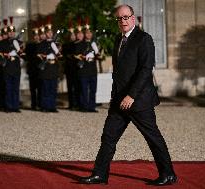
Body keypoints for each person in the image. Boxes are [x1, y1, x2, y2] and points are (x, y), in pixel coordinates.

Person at [79, 5, 177, 186]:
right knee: (108, 137)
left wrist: (131, 95)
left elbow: (146, 70)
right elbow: (119, 72)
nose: (123, 21)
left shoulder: (144, 39)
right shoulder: (118, 39)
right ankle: (100, 174)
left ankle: (168, 174)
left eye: (126, 17)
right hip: (119, 100)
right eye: (119, 18)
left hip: (139, 100)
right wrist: (115, 96)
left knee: (153, 137)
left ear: (133, 18)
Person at [36, 17, 60, 112]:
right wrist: (46, 56)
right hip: (45, 69)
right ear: (45, 34)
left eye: (51, 32)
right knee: (45, 90)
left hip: (53, 68)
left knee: (53, 89)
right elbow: (39, 56)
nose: (50, 34)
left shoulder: (55, 44)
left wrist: (57, 52)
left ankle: (52, 106)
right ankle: (45, 107)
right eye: (48, 32)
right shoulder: (41, 44)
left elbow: (59, 55)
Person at [0, 17, 21, 113]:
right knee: (8, 88)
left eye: (13, 32)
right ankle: (8, 106)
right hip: (7, 68)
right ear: (7, 33)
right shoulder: (2, 43)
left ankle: (15, 107)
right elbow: (0, 53)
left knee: (15, 89)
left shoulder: (18, 42)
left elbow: (22, 54)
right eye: (10, 32)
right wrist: (8, 54)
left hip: (16, 68)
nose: (11, 33)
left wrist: (18, 50)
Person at [25, 26, 40, 110]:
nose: (36, 37)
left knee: (40, 88)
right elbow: (27, 57)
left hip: (41, 70)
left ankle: (40, 103)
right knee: (33, 88)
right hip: (32, 69)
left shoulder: (43, 44)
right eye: (35, 35)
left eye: (37, 35)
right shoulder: (29, 45)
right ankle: (33, 104)